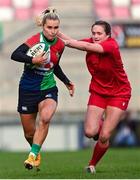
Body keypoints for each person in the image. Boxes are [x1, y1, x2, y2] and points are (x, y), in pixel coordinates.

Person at [58, 20, 131, 174]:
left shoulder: (111, 45)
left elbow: (85, 46)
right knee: (90, 132)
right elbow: (74, 42)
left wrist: (64, 43)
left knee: (104, 136)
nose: (95, 36)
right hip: (99, 91)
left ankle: (92, 164)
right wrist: (53, 31)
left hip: (119, 93)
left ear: (108, 35)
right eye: (93, 33)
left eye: (99, 33)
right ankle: (102, 122)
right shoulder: (90, 42)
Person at [11, 7, 74, 170]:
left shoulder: (60, 44)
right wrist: (33, 59)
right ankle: (36, 150)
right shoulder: (34, 40)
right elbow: (15, 54)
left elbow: (55, 66)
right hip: (27, 89)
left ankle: (31, 157)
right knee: (29, 134)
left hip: (48, 88)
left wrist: (67, 81)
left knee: (45, 118)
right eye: (49, 27)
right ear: (43, 26)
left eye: (56, 28)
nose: (53, 31)